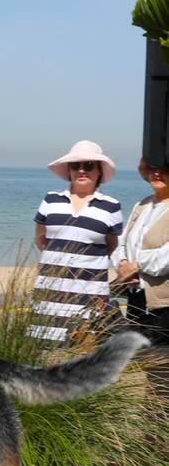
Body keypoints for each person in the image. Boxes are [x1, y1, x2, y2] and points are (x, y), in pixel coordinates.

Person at [29, 140, 122, 343]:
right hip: (49, 295)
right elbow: (41, 239)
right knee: (42, 355)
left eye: (88, 165)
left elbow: (111, 246)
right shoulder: (51, 200)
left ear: (99, 172)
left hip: (90, 297)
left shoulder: (111, 207)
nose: (81, 170)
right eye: (75, 165)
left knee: (82, 358)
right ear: (69, 170)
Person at [113, 157, 169, 397]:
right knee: (148, 367)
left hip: (165, 303)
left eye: (165, 168)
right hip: (138, 299)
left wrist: (137, 264)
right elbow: (122, 242)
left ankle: (157, 427)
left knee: (162, 370)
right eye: (153, 168)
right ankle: (152, 428)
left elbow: (165, 259)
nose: (158, 173)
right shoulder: (142, 205)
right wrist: (123, 263)